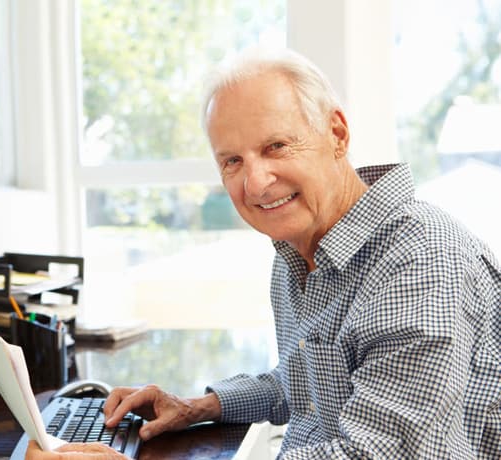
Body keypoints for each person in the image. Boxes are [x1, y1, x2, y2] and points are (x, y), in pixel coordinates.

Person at [26, 46, 501, 459]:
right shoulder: (298, 249)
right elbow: (309, 384)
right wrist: (195, 407)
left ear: (337, 134)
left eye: (276, 146)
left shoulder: (420, 262)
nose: (255, 183)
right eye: (232, 160)